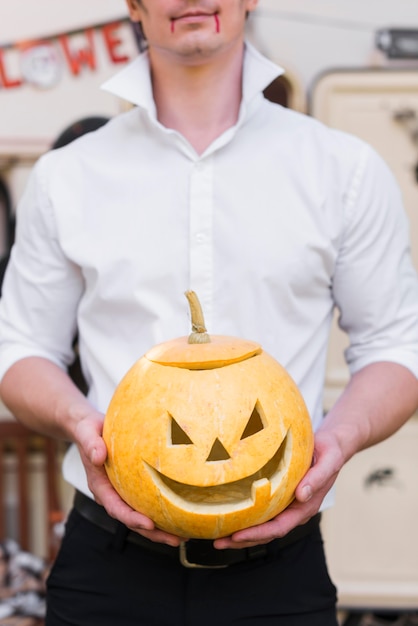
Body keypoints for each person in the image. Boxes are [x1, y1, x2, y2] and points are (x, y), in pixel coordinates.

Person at [0, 1, 417, 624]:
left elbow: (394, 347)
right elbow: (21, 349)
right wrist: (81, 424)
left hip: (281, 574)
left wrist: (339, 439)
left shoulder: (345, 170)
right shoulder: (67, 177)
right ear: (134, 5)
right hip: (106, 569)